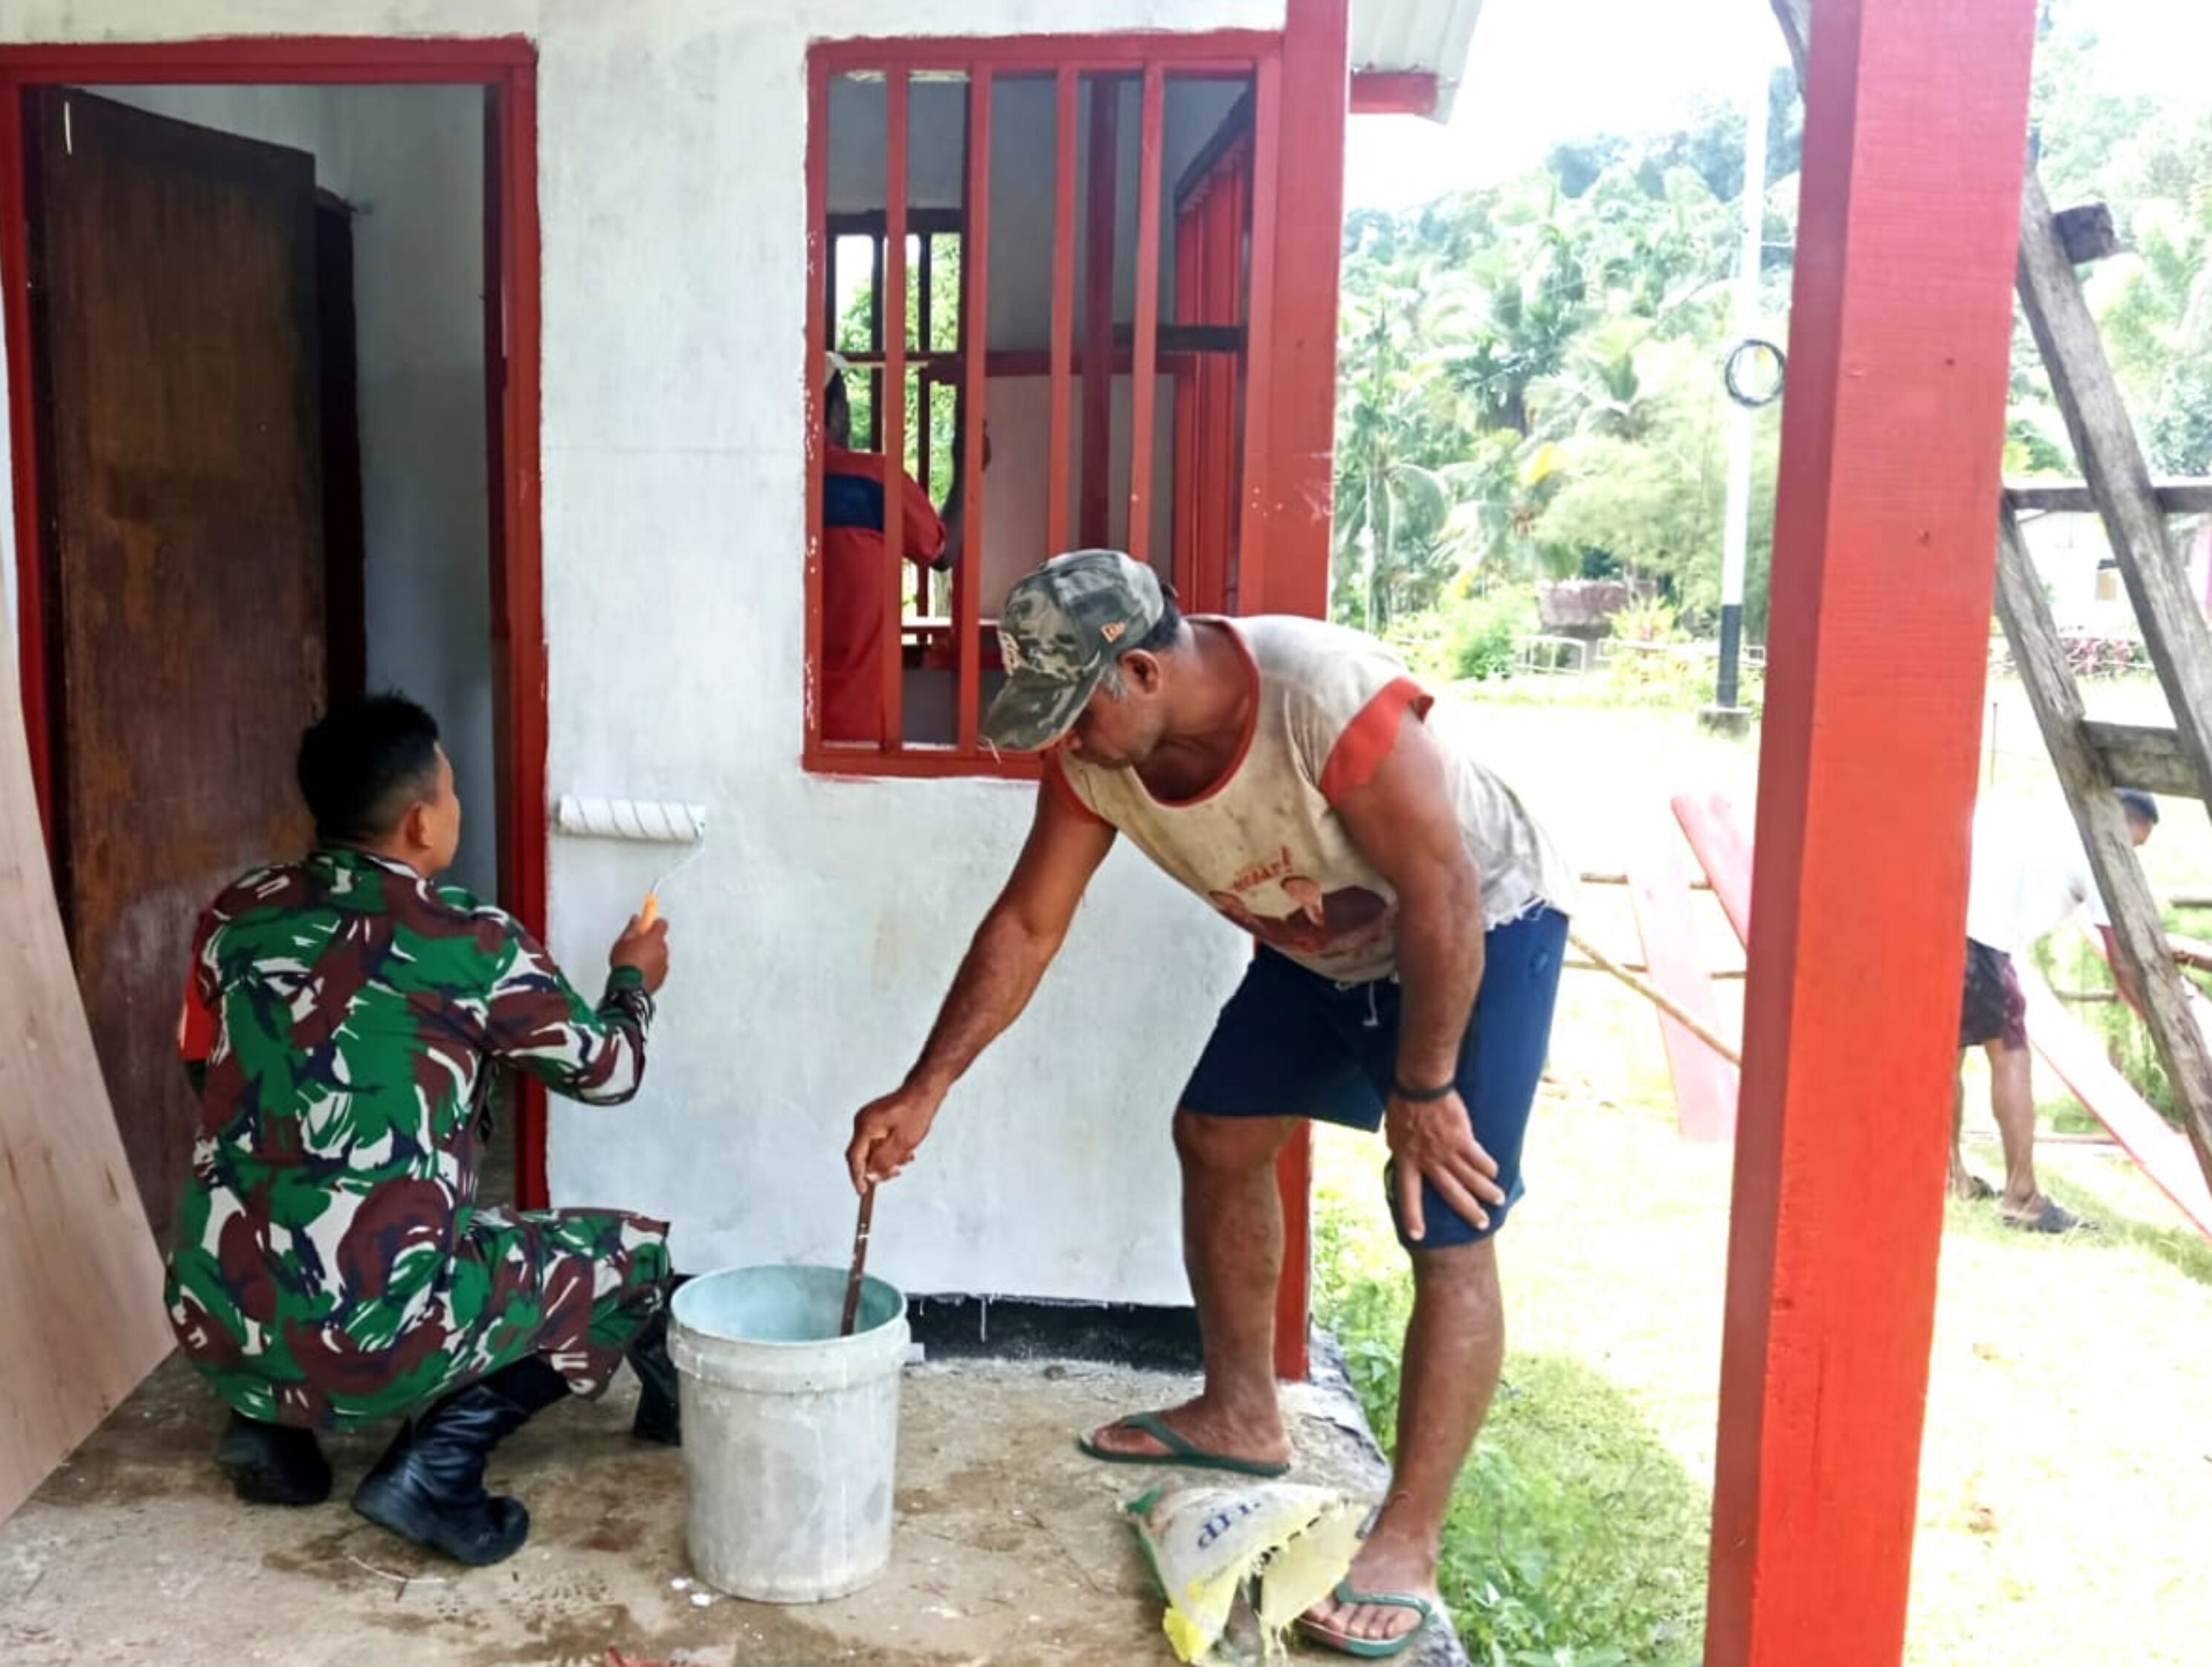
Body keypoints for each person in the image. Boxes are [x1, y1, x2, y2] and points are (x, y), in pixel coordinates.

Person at [843, 550, 1571, 1660]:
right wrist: (927, 1086)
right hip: (1320, 940)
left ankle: (1408, 1543)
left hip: (1477, 926)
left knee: (1443, 1213)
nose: (1063, 742)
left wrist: (1424, 1088)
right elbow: (1029, 925)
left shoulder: (1324, 696)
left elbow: (1441, 891)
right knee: (1218, 1132)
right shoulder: (1098, 763)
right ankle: (1242, 1416)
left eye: (1073, 712)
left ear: (1138, 671)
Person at [168, 694, 679, 1568]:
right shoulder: (467, 942)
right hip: (371, 1340)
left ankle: (268, 1424)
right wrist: (631, 981)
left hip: (214, 1312)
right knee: (631, 1261)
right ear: (417, 822)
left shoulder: (234, 914)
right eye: (449, 795)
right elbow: (609, 1073)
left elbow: (197, 1065)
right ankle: (434, 1472)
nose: (456, 811)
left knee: (295, 1215)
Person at [1951, 786, 2157, 1233]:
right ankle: (2022, 1196)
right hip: (1984, 939)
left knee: (1947, 1054)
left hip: (1940, 915)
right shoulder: (2101, 852)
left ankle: (1951, 1177)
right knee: (2011, 1054)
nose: (2130, 859)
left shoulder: (2043, 813)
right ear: (2119, 824)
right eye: (2133, 845)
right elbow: (2121, 957)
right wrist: (2154, 1021)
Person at [817, 354, 973, 746]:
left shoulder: (765, 486)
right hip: (860, 727)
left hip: (777, 725)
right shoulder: (874, 481)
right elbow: (943, 553)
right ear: (835, 410)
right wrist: (968, 471)